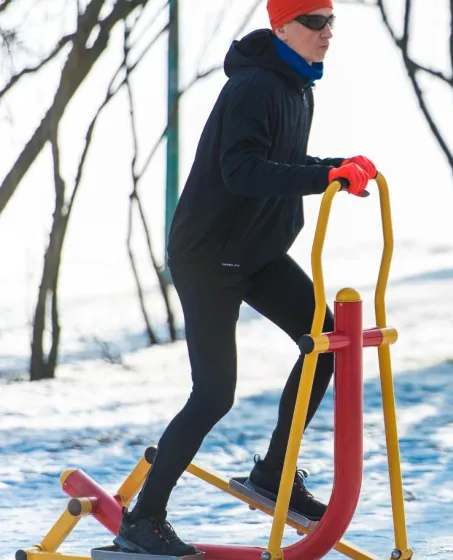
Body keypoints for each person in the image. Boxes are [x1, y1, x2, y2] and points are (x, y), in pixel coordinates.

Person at [113, 0, 373, 555]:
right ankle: (143, 521)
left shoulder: (296, 86)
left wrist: (340, 166)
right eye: (314, 22)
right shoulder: (256, 86)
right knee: (213, 394)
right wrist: (327, 174)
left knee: (324, 343)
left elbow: (279, 163)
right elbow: (243, 170)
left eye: (331, 22)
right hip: (210, 256)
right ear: (282, 28)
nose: (327, 33)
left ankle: (276, 474)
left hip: (253, 252)